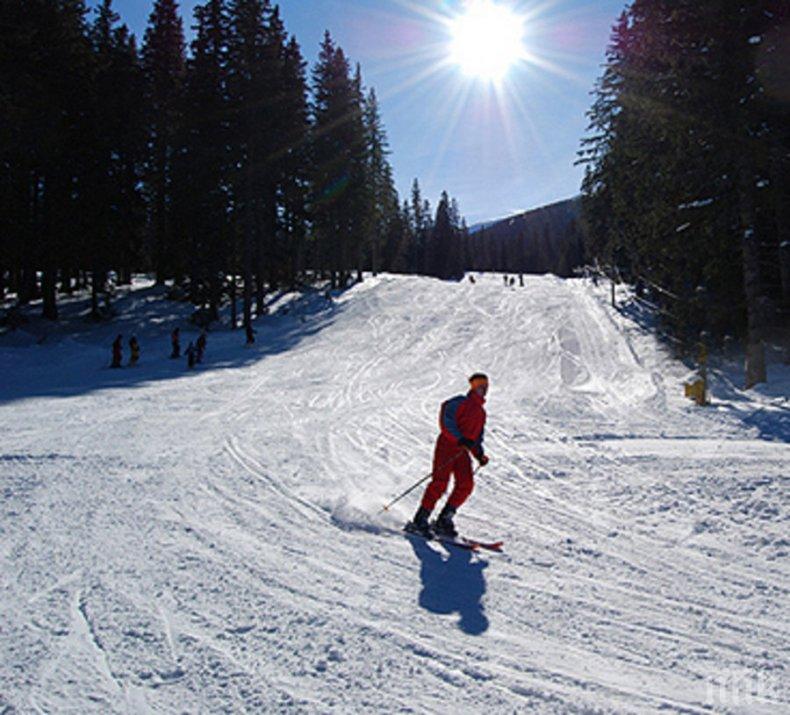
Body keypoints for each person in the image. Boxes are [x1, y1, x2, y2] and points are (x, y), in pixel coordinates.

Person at [408, 373, 490, 537]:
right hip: (447, 445)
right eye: (480, 386)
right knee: (440, 482)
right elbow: (446, 420)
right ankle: (420, 519)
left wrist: (479, 454)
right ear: (473, 387)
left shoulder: (481, 413)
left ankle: (444, 519)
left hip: (462, 452)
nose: (483, 390)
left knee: (466, 484)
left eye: (485, 387)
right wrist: (459, 438)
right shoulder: (459, 402)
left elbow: (476, 438)